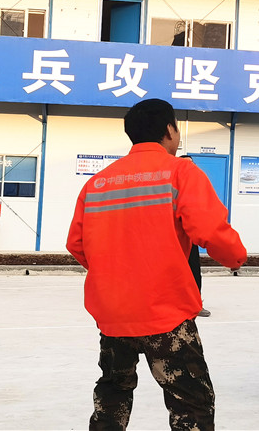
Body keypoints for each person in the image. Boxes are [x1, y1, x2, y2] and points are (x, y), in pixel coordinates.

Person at [67, 99, 247, 430]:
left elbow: (77, 244)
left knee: (112, 395)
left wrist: (112, 272)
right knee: (192, 402)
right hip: (166, 312)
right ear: (169, 130)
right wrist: (235, 257)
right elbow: (210, 230)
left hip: (113, 314)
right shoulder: (180, 172)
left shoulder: (98, 183)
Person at [180, 155, 211, 318]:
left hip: (191, 238)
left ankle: (196, 305)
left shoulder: (197, 188)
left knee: (193, 271)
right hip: (172, 240)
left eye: (192, 164)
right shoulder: (169, 186)